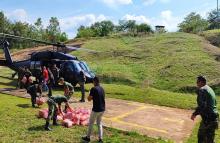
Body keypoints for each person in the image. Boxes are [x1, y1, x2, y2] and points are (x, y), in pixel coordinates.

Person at [191, 76, 219, 143]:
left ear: (201, 82)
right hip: (214, 118)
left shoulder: (202, 90)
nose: (196, 83)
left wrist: (194, 114)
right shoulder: (209, 89)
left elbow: (202, 106)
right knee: (209, 139)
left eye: (197, 82)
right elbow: (215, 102)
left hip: (208, 119)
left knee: (201, 138)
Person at [82, 77, 105, 143]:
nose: (93, 83)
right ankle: (100, 139)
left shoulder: (93, 89)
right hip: (102, 109)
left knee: (91, 123)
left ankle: (88, 137)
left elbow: (89, 99)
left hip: (96, 109)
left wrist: (89, 93)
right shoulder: (102, 88)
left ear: (95, 81)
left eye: (93, 82)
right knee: (99, 123)